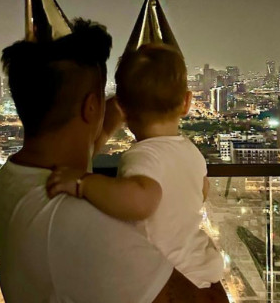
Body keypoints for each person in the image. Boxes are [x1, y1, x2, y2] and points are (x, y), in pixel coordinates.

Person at [0, 19, 229, 302]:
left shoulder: (10, 180)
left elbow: (80, 154)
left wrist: (116, 115)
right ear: (92, 106)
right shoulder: (90, 229)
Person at [46, 44, 224, 289]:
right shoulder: (192, 153)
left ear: (122, 109)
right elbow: (201, 191)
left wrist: (83, 183)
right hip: (199, 265)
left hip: (163, 274)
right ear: (187, 102)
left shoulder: (143, 157)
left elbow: (141, 201)